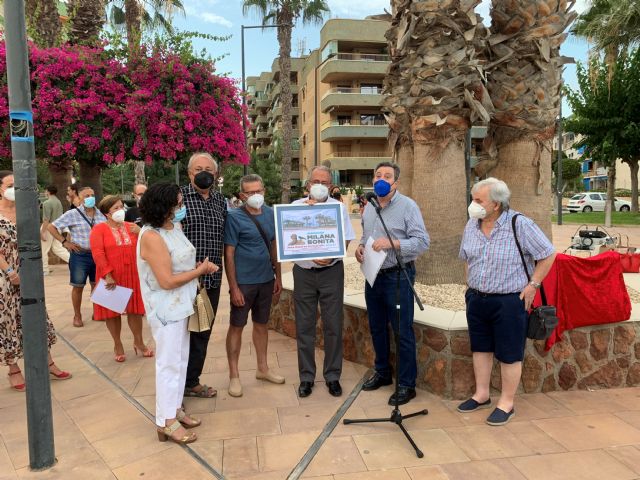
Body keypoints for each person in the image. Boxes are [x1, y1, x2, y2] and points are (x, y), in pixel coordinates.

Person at [457, 177, 555, 426]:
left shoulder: (519, 224)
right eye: (473, 199)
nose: (473, 205)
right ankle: (481, 395)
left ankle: (506, 403)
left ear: (496, 204)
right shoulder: (472, 224)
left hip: (509, 301)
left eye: (478, 200)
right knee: (480, 348)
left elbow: (547, 254)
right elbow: (466, 257)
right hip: (477, 299)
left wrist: (533, 285)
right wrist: (470, 286)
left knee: (510, 353)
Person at [137, 182, 218, 444]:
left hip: (183, 304)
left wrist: (193, 267)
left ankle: (175, 409)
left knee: (181, 360)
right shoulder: (151, 236)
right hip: (166, 308)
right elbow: (166, 280)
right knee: (168, 364)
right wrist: (200, 271)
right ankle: (166, 422)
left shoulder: (174, 227)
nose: (181, 206)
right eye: (178, 202)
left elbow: (179, 261)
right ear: (164, 205)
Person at [355, 162, 430, 406]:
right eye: (378, 175)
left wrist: (393, 243)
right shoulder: (369, 206)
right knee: (377, 327)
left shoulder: (408, 206)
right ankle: (383, 372)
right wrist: (359, 248)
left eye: (387, 176)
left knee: (402, 331)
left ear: (395, 183)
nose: (381, 179)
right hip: (373, 275)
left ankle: (407, 385)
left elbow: (422, 242)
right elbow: (366, 236)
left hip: (398, 276)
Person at [0, 171, 71, 391]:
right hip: (5, 275)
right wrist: (10, 271)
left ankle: (48, 362)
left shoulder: (27, 210)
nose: (14, 189)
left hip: (29, 271)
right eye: (10, 184)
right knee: (8, 321)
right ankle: (13, 368)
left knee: (38, 316)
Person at [292, 166, 355, 398]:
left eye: (325, 182)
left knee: (333, 325)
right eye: (315, 180)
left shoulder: (338, 208)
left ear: (331, 186)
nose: (319, 185)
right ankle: (306, 377)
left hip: (331, 272)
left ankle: (332, 376)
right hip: (304, 273)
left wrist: (332, 255)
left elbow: (346, 239)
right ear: (308, 184)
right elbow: (290, 242)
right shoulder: (295, 208)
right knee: (304, 326)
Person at [223, 174, 284, 397]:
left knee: (261, 324)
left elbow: (274, 245)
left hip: (266, 280)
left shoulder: (271, 214)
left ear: (264, 191)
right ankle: (234, 375)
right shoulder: (234, 217)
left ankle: (263, 369)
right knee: (237, 326)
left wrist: (278, 276)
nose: (255, 195)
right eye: (250, 192)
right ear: (242, 195)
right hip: (244, 283)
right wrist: (234, 287)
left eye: (258, 191)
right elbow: (228, 254)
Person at [180, 152, 226, 398]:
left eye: (208, 169)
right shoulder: (178, 199)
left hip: (211, 281)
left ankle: (191, 382)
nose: (204, 173)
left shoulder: (220, 201)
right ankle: (174, 393)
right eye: (198, 169)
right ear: (189, 173)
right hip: (183, 281)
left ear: (216, 174)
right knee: (180, 336)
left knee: (202, 332)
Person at [90, 195, 152, 362]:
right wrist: (107, 274)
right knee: (112, 312)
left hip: (132, 272)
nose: (120, 211)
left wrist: (141, 232)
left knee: (135, 310)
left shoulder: (131, 227)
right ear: (107, 214)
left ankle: (139, 342)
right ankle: (117, 344)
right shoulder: (99, 229)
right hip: (111, 274)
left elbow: (147, 245)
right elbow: (98, 253)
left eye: (121, 207)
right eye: (116, 208)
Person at [48, 186, 107, 327]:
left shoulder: (101, 214)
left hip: (97, 255)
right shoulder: (73, 214)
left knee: (97, 284)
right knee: (78, 286)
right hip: (80, 255)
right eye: (86, 196)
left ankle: (97, 312)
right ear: (79, 199)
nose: (90, 198)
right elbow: (52, 227)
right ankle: (77, 315)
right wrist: (65, 242)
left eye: (92, 194)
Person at [40, 185, 69, 275]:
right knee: (58, 248)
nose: (45, 193)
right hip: (58, 227)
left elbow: (46, 219)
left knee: (44, 250)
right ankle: (75, 262)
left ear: (48, 191)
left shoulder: (47, 203)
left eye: (45, 191)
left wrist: (42, 231)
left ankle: (45, 270)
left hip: (48, 228)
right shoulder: (58, 202)